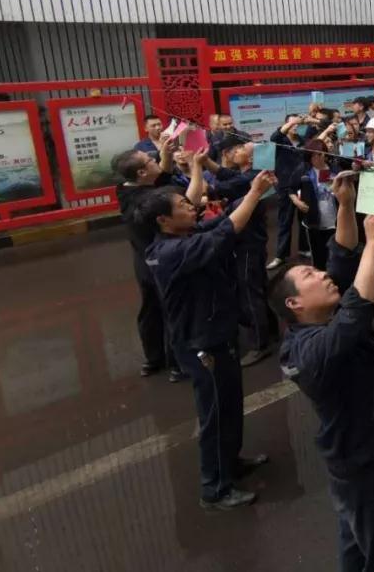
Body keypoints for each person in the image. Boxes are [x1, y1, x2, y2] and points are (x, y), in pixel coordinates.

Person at [274, 186, 374, 571]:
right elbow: (357, 309)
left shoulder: (321, 314)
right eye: (310, 274)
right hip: (367, 468)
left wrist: (347, 205)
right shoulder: (308, 352)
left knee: (357, 542)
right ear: (294, 303)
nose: (322, 275)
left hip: (364, 458)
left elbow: (340, 253)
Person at [142, 169, 277, 510]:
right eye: (182, 205)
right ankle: (214, 488)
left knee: (230, 403)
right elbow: (227, 230)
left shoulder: (186, 235)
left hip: (218, 333)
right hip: (201, 343)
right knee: (215, 413)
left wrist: (249, 191)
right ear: (163, 220)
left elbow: (221, 223)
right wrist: (254, 193)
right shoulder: (170, 252)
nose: (192, 206)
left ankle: (230, 463)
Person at [114, 139, 201, 381]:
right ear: (142, 173)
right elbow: (189, 202)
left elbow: (160, 178)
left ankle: (153, 359)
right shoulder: (151, 199)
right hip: (163, 262)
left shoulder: (125, 190)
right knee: (174, 310)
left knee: (150, 309)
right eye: (150, 161)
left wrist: (165, 156)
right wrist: (196, 167)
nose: (155, 161)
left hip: (143, 262)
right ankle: (178, 365)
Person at [212, 135, 276, 366]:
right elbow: (225, 175)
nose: (234, 152)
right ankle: (270, 330)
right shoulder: (246, 174)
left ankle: (260, 344)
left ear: (250, 158)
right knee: (257, 287)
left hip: (249, 243)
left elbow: (221, 185)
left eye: (239, 149)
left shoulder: (251, 177)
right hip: (249, 241)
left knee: (250, 292)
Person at [268, 114, 309, 270]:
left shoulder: (303, 140)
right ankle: (280, 255)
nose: (296, 126)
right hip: (285, 187)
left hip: (302, 184)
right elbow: (274, 137)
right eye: (292, 123)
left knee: (304, 219)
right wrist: (292, 122)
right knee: (285, 221)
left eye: (297, 123)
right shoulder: (280, 140)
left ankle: (304, 248)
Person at [295, 140, 338, 270]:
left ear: (325, 153)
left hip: (335, 220)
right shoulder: (304, 171)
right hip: (313, 221)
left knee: (335, 256)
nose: (317, 158)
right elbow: (290, 189)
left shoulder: (335, 169)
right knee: (318, 257)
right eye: (313, 155)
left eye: (320, 154)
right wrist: (297, 201)